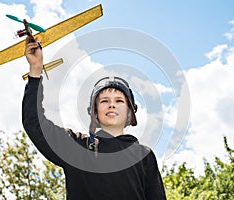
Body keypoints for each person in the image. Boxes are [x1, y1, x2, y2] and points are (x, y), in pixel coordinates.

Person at [22, 36, 167, 200]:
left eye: (119, 101)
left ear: (130, 113)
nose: (111, 105)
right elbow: (34, 123)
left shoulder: (144, 155)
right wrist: (35, 70)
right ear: (95, 113)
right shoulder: (77, 147)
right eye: (104, 101)